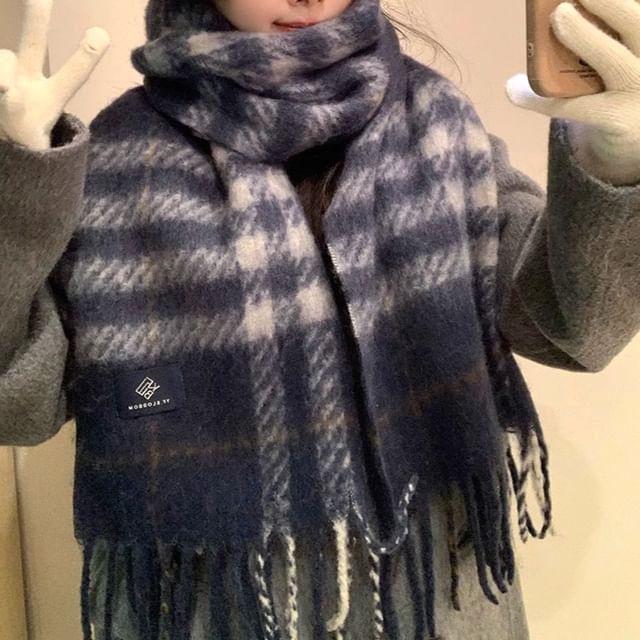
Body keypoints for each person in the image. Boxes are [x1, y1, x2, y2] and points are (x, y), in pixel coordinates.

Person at [1, 1, 639, 639]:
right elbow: (19, 409)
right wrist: (19, 201)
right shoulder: (119, 160)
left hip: (438, 601)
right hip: (221, 609)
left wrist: (617, 159)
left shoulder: (437, 124)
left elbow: (574, 330)